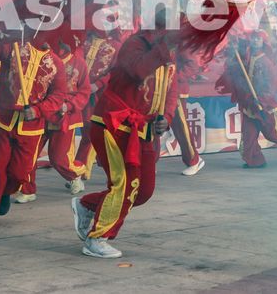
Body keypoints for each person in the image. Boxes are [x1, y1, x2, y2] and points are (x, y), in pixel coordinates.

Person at [71, 27, 178, 259]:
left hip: (143, 130)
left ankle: (87, 205)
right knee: (125, 184)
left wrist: (167, 117)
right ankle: (97, 238)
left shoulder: (170, 53)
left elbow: (171, 91)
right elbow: (139, 70)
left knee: (143, 191)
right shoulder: (135, 44)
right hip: (114, 123)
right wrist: (165, 47)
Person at [0, 35, 68, 227]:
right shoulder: (14, 47)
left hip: (31, 127)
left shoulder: (56, 63)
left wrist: (38, 110)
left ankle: (6, 192)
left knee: (20, 172)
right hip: (3, 121)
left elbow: (58, 95)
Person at [215, 30, 277, 168]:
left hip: (263, 105)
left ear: (263, 42)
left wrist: (262, 99)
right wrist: (233, 54)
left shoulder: (266, 62)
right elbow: (238, 71)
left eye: (258, 38)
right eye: (253, 38)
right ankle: (256, 161)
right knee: (248, 136)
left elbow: (273, 84)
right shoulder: (247, 57)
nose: (255, 40)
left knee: (273, 134)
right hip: (249, 104)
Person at [15, 35, 91, 202]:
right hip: (40, 115)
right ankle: (27, 190)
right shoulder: (41, 58)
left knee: (59, 159)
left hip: (65, 116)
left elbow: (84, 92)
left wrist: (68, 106)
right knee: (29, 155)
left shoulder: (78, 63)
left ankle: (75, 175)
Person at [74, 28, 123, 180]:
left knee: (90, 132)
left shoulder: (116, 46)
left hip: (98, 96)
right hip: (77, 94)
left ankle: (80, 173)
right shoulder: (83, 41)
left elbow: (116, 71)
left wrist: (98, 84)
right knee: (87, 132)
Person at [170, 49, 206, 176]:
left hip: (176, 91)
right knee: (154, 126)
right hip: (160, 90)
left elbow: (192, 64)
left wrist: (175, 77)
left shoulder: (180, 43)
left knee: (180, 126)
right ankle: (151, 163)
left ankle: (194, 160)